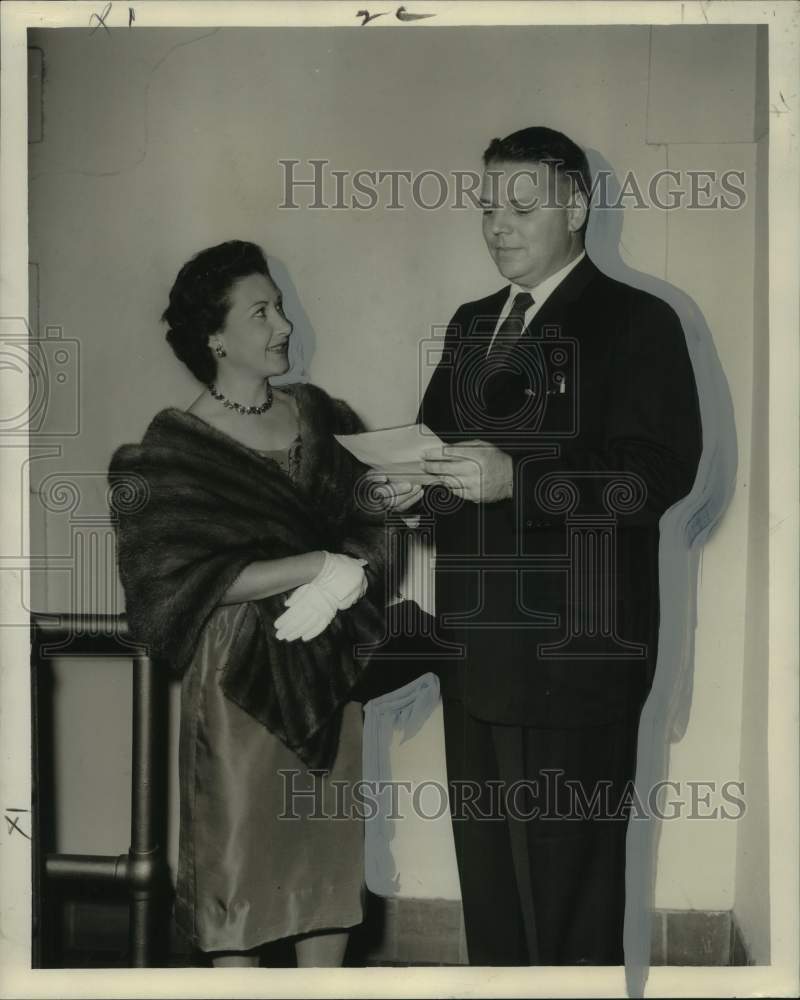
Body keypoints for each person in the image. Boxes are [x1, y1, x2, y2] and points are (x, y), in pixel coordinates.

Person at [377, 127, 703, 965]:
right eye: (488, 205)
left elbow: (655, 475)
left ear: (577, 207)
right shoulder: (472, 324)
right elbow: (440, 453)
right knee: (494, 902)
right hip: (476, 653)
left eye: (520, 205)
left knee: (569, 911)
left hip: (576, 665)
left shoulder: (640, 320)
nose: (497, 224)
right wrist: (411, 491)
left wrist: (514, 482)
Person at [108, 240, 394, 967]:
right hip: (238, 689)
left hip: (330, 678)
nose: (283, 325)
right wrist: (313, 564)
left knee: (325, 878)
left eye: (281, 307)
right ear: (214, 336)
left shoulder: (323, 418)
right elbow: (169, 581)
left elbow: (369, 525)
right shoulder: (173, 449)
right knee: (239, 879)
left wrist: (362, 551)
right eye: (261, 311)